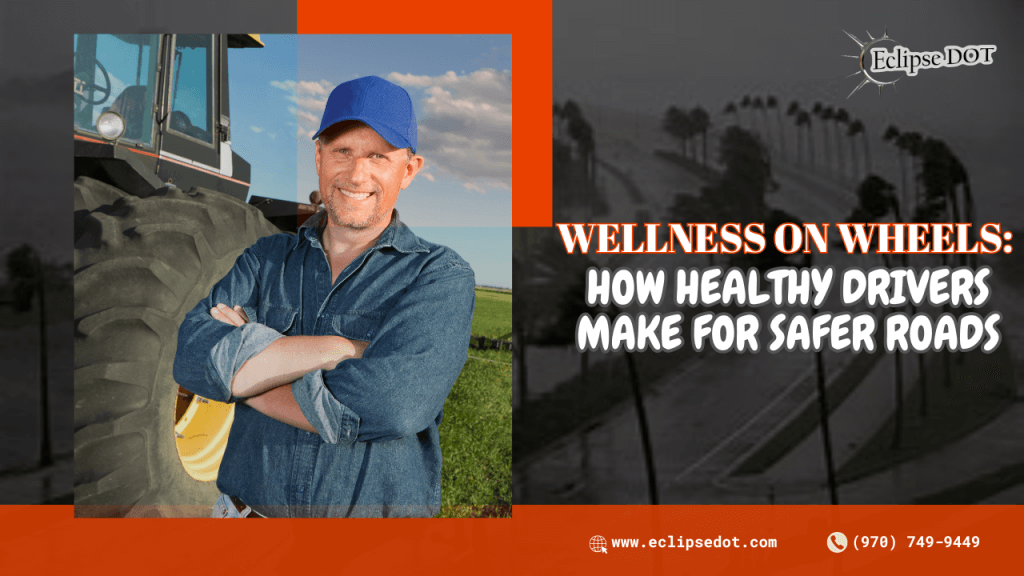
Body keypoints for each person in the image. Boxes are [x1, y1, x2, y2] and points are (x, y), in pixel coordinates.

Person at [173, 75, 476, 518]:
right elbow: (192, 354)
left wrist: (244, 381)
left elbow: (391, 405)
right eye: (342, 152)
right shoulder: (265, 258)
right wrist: (342, 350)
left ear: (408, 170)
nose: (357, 174)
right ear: (319, 158)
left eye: (378, 156)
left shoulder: (439, 276)